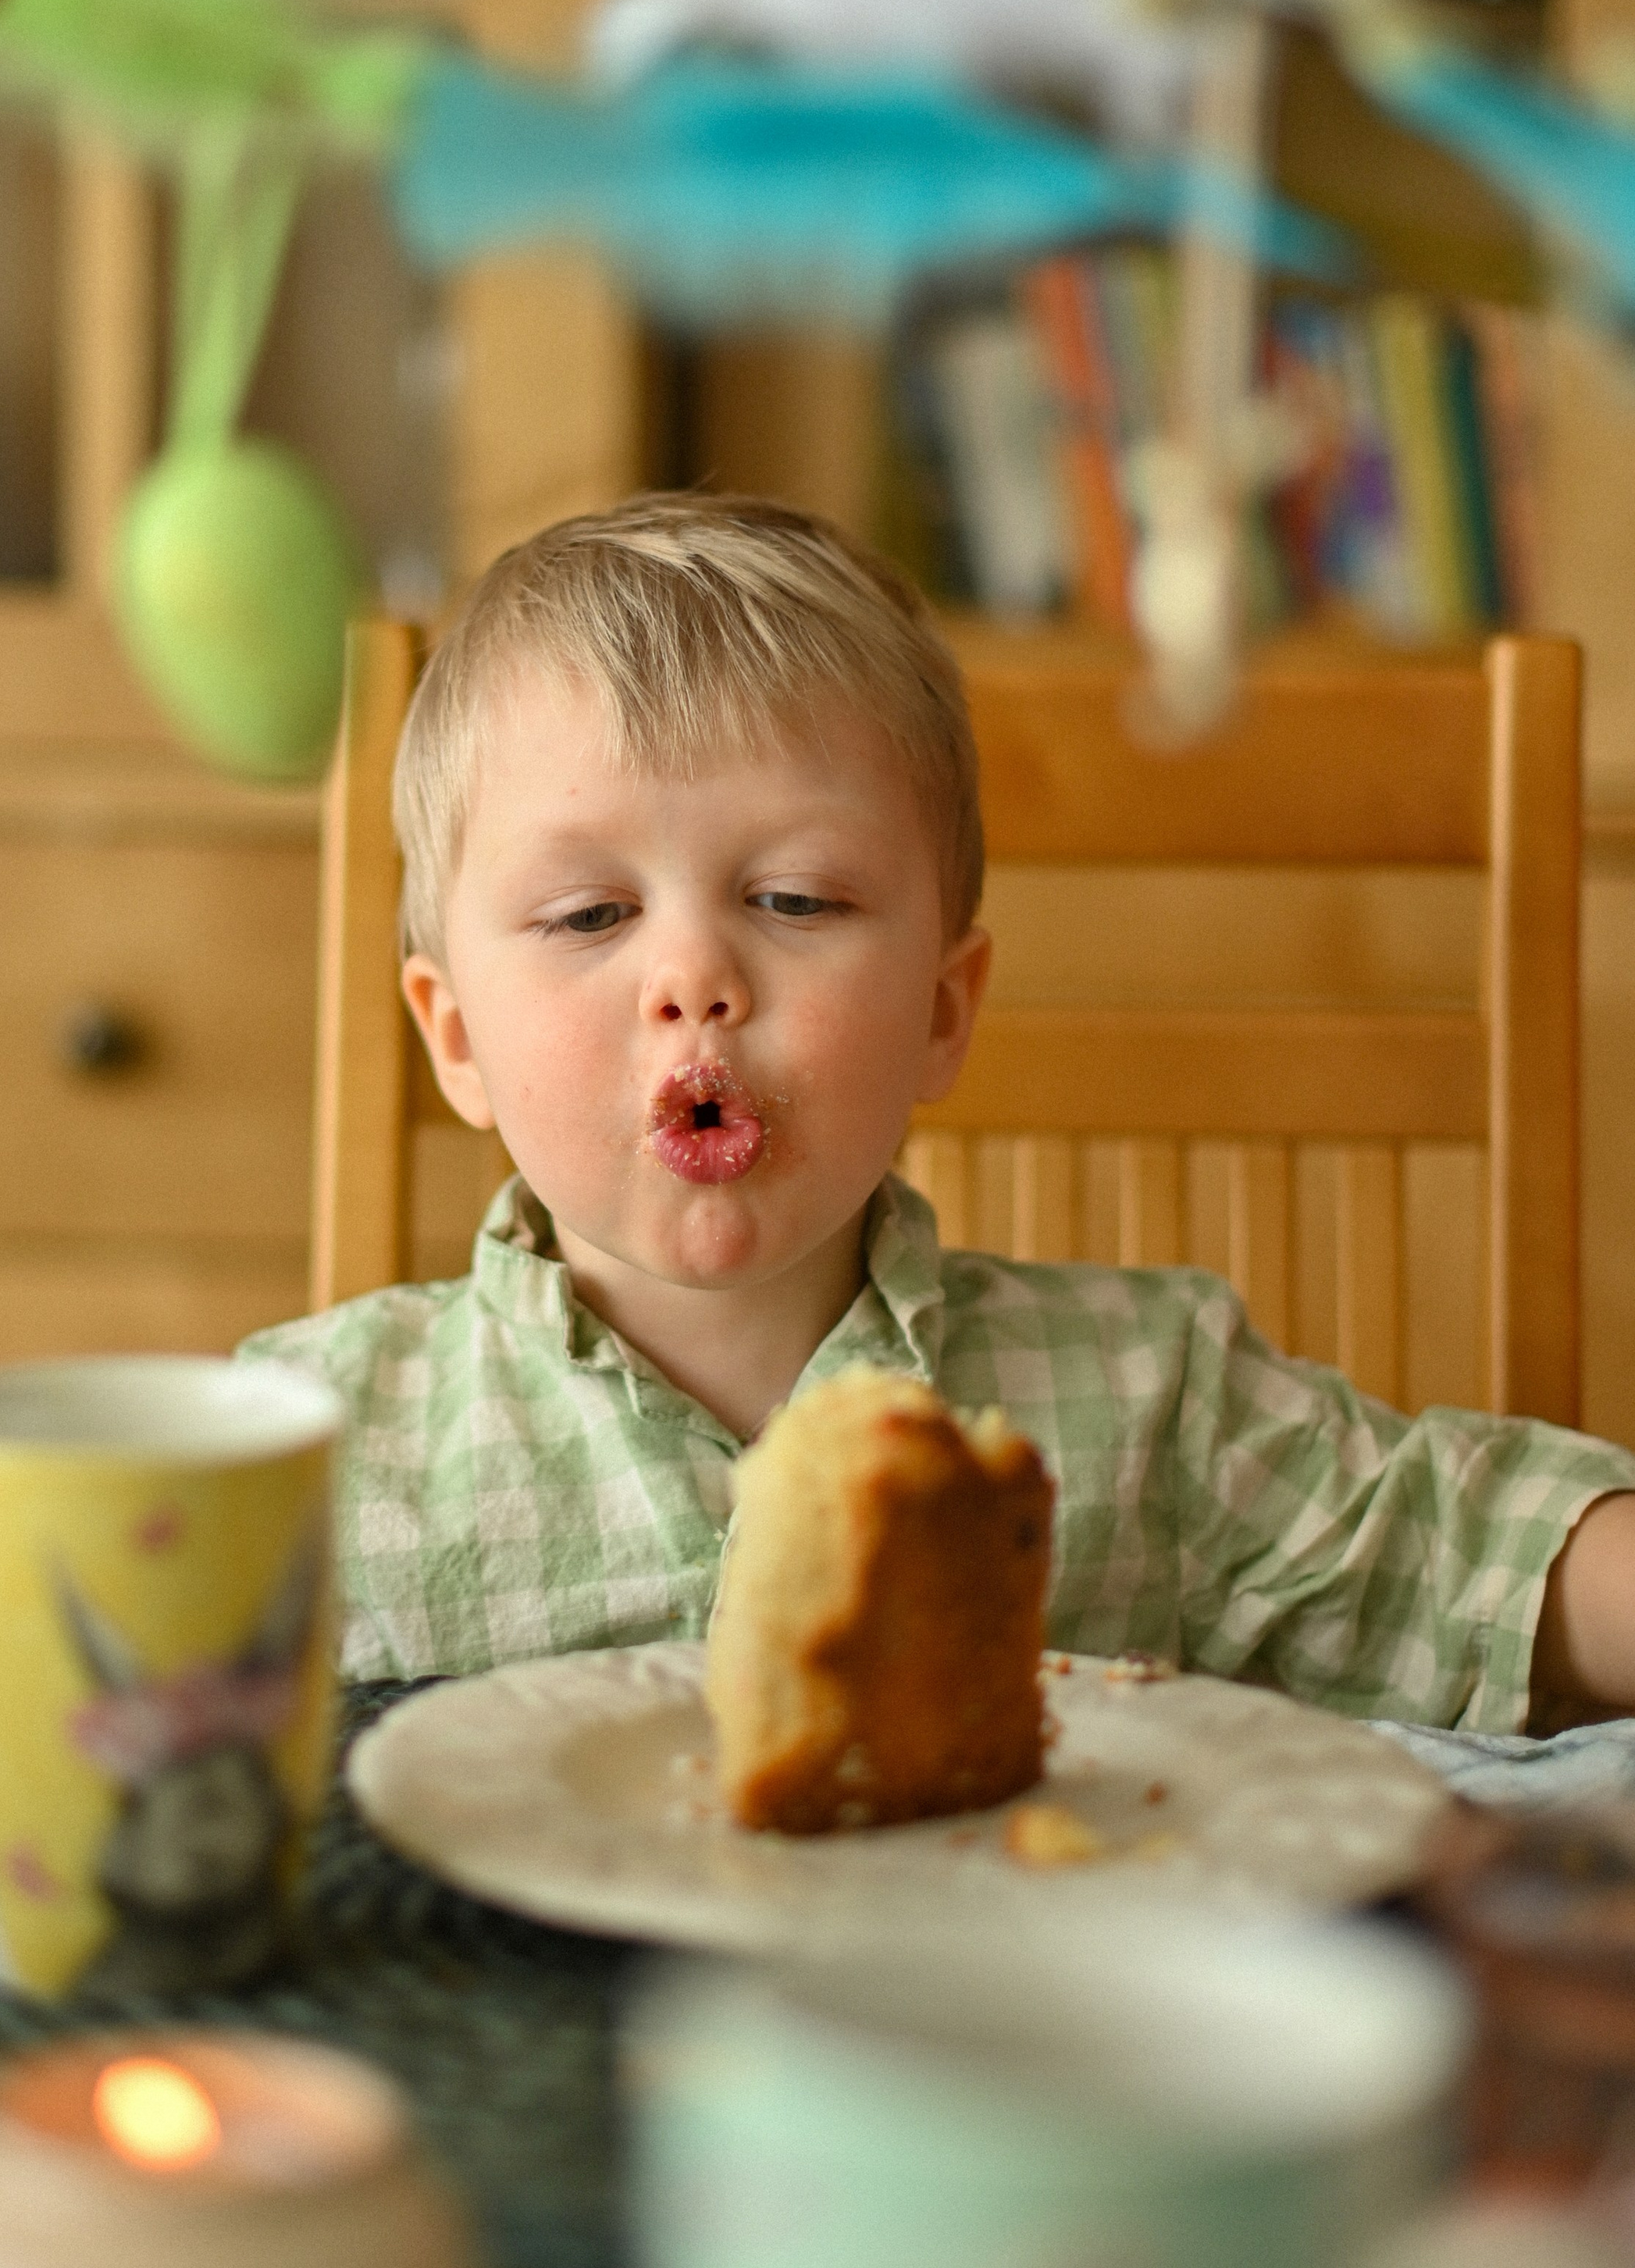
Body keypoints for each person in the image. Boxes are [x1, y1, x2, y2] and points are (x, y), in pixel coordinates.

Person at [245, 495, 1635, 1728]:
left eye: (793, 900)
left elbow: (1466, 1561)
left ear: (941, 1013)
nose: (694, 980)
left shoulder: (1154, 1409)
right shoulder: (289, 1450)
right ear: (455, 1037)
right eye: (590, 913)